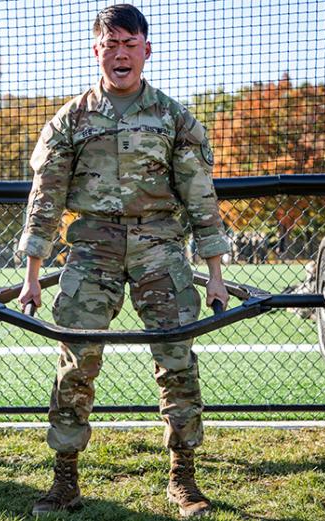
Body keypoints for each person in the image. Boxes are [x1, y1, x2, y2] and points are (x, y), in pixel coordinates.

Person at [17, 4, 230, 516]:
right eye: (110, 45)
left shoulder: (174, 118)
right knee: (77, 362)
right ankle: (64, 480)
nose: (120, 54)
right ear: (96, 51)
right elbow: (45, 198)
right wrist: (31, 277)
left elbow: (200, 197)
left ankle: (183, 479)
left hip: (160, 247)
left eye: (129, 45)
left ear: (146, 51)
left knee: (176, 359)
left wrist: (217, 275)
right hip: (93, 249)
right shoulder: (70, 120)